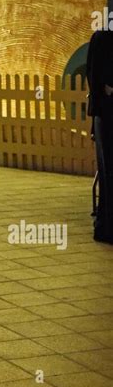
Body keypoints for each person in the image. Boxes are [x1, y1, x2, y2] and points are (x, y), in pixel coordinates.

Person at [87, 27, 113, 245]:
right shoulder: (104, 40)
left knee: (107, 175)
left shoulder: (101, 39)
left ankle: (105, 225)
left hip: (103, 115)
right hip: (107, 115)